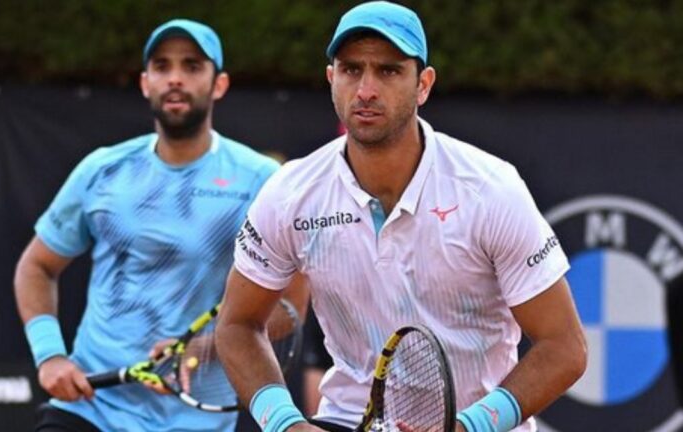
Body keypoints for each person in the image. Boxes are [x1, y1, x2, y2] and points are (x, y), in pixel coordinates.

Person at [215, 2, 588, 432]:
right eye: (352, 70)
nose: (366, 89)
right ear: (331, 78)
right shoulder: (290, 194)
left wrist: (467, 427)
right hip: (348, 421)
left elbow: (565, 347)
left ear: (423, 84)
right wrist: (285, 423)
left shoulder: (490, 190)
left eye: (389, 71)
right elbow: (238, 325)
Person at [14, 18, 283, 432]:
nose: (175, 78)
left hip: (194, 420)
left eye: (192, 66)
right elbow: (36, 266)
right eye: (162, 66)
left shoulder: (260, 180)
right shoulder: (102, 170)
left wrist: (204, 348)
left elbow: (289, 308)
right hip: (90, 410)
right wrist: (50, 355)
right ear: (145, 82)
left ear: (219, 84)